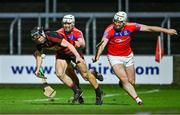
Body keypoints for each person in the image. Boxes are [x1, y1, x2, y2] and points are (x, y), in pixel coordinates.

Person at [92, 11, 177, 105]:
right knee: (125, 79)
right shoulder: (109, 30)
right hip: (114, 57)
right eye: (115, 21)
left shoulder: (131, 26)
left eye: (119, 22)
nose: (117, 23)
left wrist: (166, 31)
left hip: (128, 56)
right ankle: (138, 100)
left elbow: (149, 28)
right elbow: (102, 44)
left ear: (124, 23)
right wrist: (98, 56)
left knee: (131, 82)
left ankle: (123, 84)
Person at [56, 14, 103, 105]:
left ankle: (98, 93)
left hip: (75, 54)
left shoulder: (77, 32)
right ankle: (78, 93)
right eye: (64, 23)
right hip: (62, 55)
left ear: (73, 24)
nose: (66, 25)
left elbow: (83, 43)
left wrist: (79, 43)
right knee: (69, 76)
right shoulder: (59, 32)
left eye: (68, 23)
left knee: (85, 76)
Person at [31, 26, 85, 103]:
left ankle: (97, 85)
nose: (37, 40)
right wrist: (37, 69)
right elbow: (39, 55)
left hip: (72, 50)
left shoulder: (52, 36)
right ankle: (77, 91)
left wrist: (78, 56)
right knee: (59, 74)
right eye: (35, 39)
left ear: (42, 34)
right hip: (62, 54)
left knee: (85, 75)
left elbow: (69, 45)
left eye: (38, 37)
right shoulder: (39, 44)